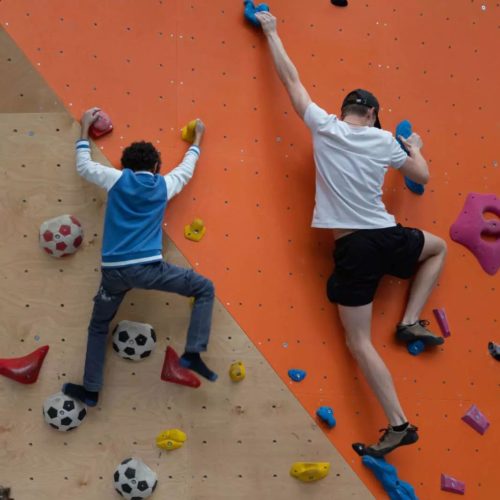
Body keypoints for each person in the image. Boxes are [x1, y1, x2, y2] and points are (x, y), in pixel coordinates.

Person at [256, 11, 447, 457]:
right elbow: (423, 174)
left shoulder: (326, 127)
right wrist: (412, 147)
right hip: (387, 236)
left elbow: (291, 80)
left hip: (355, 248)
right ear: (375, 115)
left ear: (344, 112)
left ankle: (399, 423)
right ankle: (408, 320)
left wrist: (272, 32)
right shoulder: (384, 141)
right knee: (437, 248)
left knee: (358, 342)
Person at [63, 108, 217, 407]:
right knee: (204, 288)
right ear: (158, 166)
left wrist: (84, 129)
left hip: (113, 274)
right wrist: (196, 139)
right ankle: (194, 351)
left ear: (125, 166)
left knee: (98, 327)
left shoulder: (117, 179)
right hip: (148, 270)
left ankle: (91, 390)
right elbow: (187, 168)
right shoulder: (164, 185)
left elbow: (84, 166)